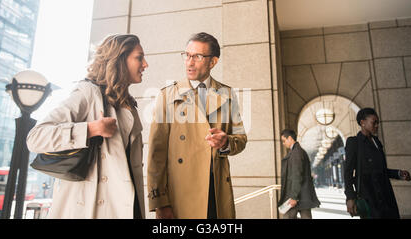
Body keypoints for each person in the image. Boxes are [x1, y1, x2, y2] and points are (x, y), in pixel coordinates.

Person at [26, 34, 148, 218]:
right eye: (139, 57)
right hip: (93, 208)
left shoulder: (129, 105)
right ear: (120, 59)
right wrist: (90, 129)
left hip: (129, 206)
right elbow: (36, 138)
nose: (145, 64)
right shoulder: (88, 93)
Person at [147, 32, 247, 219]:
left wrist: (226, 143)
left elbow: (241, 139)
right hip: (179, 196)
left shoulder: (227, 94)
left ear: (213, 61)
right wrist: (159, 202)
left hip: (215, 192)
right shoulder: (167, 95)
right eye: (187, 55)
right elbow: (156, 154)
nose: (189, 62)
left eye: (198, 56)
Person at [344, 108, 411, 219]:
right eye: (373, 122)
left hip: (386, 195)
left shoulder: (377, 142)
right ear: (362, 123)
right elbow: (348, 173)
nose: (376, 126)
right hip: (369, 197)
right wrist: (350, 198)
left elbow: (381, 170)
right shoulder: (354, 142)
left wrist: (399, 174)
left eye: (377, 123)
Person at [279, 129, 320, 219]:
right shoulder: (298, 151)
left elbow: (296, 176)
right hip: (303, 196)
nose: (283, 143)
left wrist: (293, 197)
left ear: (290, 138)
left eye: (284, 141)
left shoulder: (296, 153)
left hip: (297, 196)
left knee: (288, 217)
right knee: (306, 216)